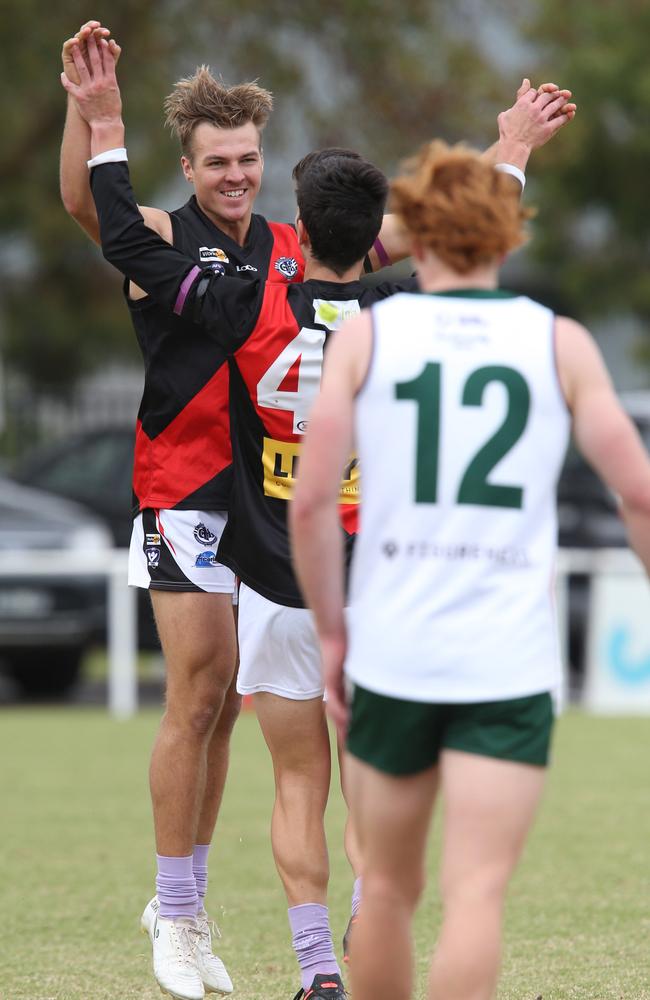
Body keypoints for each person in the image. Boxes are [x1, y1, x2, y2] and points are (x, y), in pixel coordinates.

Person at [60, 29, 575, 1000]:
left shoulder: (249, 298)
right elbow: (459, 244)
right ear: (378, 232)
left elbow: (122, 235)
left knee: (294, 775)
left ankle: (316, 971)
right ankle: (359, 933)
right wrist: (509, 148)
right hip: (378, 579)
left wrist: (106, 127)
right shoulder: (400, 308)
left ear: (295, 217)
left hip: (276, 577)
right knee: (367, 779)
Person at [289, 140, 650, 1000]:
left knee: (389, 894)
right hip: (506, 660)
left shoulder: (368, 337)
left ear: (411, 229)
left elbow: (308, 506)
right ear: (506, 233)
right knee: (476, 893)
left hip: (393, 653)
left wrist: (334, 635)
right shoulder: (559, 342)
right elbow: (638, 494)